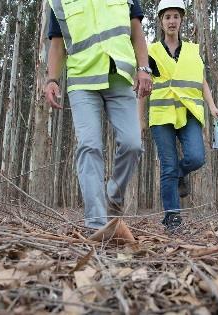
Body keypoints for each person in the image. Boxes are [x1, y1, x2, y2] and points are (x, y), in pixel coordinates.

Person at [44, 0, 153, 229]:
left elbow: (136, 32)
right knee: (89, 145)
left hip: (120, 76)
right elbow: (57, 44)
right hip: (82, 81)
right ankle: (96, 224)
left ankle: (114, 196)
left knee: (132, 143)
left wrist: (144, 68)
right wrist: (52, 79)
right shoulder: (59, 3)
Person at [138, 0, 218, 232]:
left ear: (181, 20)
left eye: (176, 16)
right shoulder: (151, 51)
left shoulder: (192, 50)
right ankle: (172, 217)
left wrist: (213, 106)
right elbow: (143, 86)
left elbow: (202, 81)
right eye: (167, 17)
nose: (172, 21)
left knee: (196, 158)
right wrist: (140, 120)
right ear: (161, 21)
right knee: (167, 166)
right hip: (162, 114)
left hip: (189, 112)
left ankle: (179, 174)